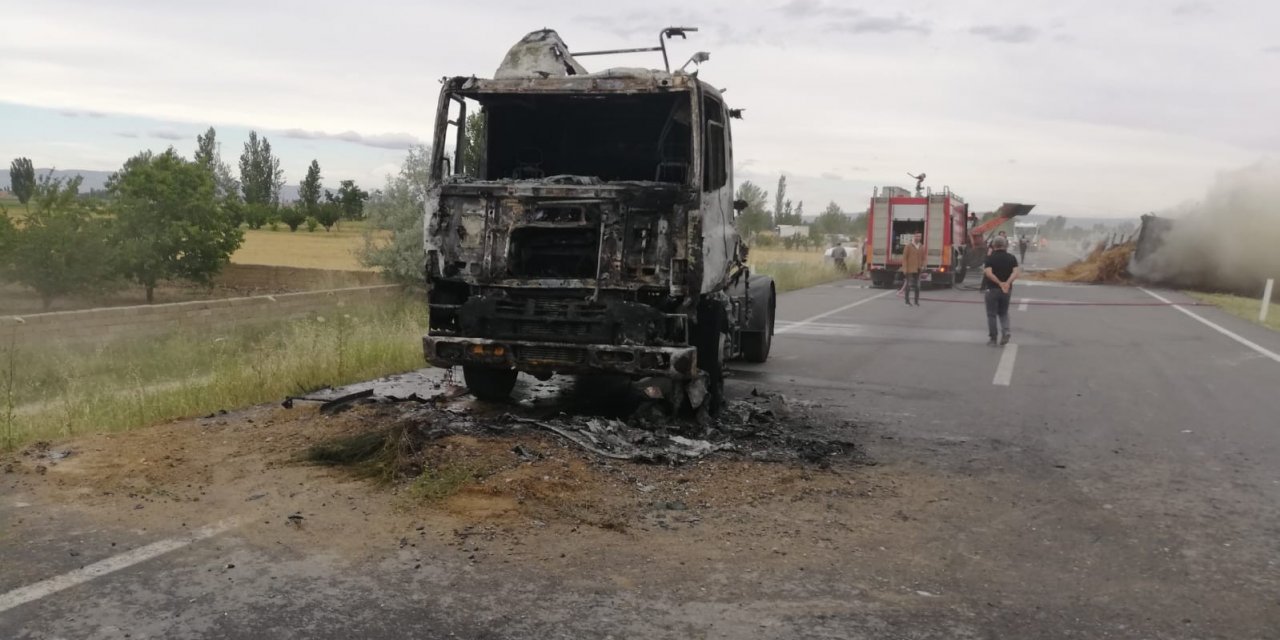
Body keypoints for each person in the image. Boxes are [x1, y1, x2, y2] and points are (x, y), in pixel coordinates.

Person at [983, 235, 1020, 346]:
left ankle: (993, 338)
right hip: (1006, 290)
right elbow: (1016, 273)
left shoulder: (989, 258)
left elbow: (989, 273)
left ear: (994, 245)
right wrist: (1007, 283)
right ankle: (1006, 331)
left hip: (992, 289)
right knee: (1003, 313)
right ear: (1005, 245)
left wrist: (999, 283)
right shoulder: (1012, 258)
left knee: (991, 314)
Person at [901, 233, 924, 306]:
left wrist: (923, 265)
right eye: (917, 236)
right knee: (909, 285)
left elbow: (924, 258)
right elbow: (904, 258)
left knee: (917, 286)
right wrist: (904, 268)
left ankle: (916, 301)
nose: (918, 237)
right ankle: (907, 301)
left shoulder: (921, 246)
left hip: (918, 268)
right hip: (909, 269)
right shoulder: (908, 246)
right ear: (914, 237)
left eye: (919, 236)